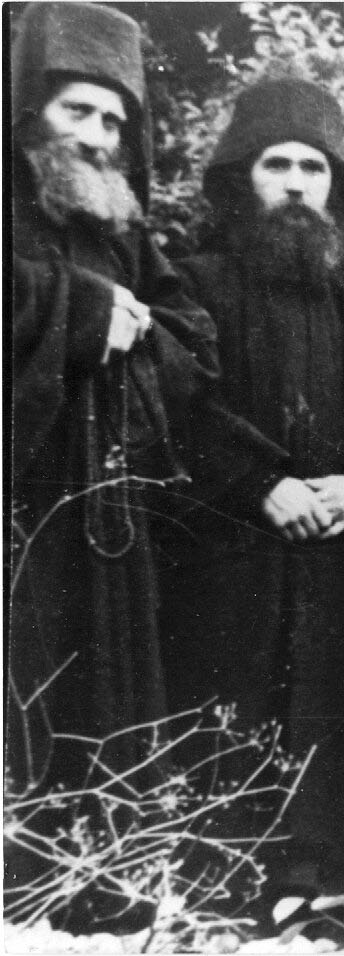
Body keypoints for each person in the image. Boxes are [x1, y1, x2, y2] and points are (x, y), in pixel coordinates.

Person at [158, 77, 344, 909]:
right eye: (275, 164)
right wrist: (259, 483)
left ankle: (341, 893)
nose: (294, 183)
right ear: (242, 179)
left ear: (334, 187)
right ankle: (231, 894)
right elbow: (179, 401)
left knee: (343, 719)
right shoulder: (192, 287)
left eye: (313, 168)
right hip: (232, 557)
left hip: (343, 566)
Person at [8, 2, 217, 786]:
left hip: (107, 512)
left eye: (112, 120)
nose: (97, 137)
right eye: (77, 111)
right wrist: (84, 312)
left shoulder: (121, 229)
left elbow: (195, 339)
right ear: (30, 110)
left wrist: (140, 330)